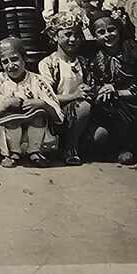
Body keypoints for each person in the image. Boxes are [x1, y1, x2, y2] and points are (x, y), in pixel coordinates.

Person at [86, 8, 137, 165]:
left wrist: (118, 92)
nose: (107, 35)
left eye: (111, 30)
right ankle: (115, 147)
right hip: (115, 109)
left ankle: (130, 148)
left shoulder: (135, 52)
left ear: (119, 29)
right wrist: (100, 89)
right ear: (95, 36)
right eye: (101, 32)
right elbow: (93, 82)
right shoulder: (97, 59)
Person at [0, 37, 62, 167]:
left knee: (38, 114)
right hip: (10, 132)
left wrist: (42, 104)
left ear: (24, 59)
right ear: (0, 64)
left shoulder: (38, 81)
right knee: (11, 118)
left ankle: (34, 152)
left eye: (15, 59)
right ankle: (12, 153)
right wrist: (6, 104)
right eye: (5, 62)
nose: (11, 65)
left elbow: (57, 116)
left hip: (35, 134)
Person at [38, 12, 94, 165]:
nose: (73, 39)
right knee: (83, 106)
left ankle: (73, 141)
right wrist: (75, 95)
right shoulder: (48, 63)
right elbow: (47, 96)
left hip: (81, 114)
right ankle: (70, 148)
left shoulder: (84, 62)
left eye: (77, 35)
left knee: (101, 137)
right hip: (57, 112)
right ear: (55, 37)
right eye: (68, 34)